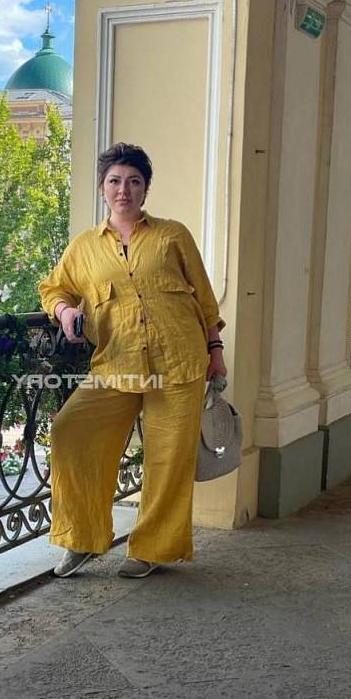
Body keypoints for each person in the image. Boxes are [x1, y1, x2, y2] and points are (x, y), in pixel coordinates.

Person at [38, 142, 227, 579]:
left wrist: (215, 351)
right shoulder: (84, 247)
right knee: (70, 432)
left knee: (167, 460)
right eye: (115, 181)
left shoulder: (173, 235)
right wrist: (64, 312)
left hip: (179, 363)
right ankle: (81, 538)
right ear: (102, 188)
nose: (124, 190)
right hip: (116, 364)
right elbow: (53, 288)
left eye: (133, 181)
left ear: (145, 189)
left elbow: (203, 297)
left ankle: (151, 548)